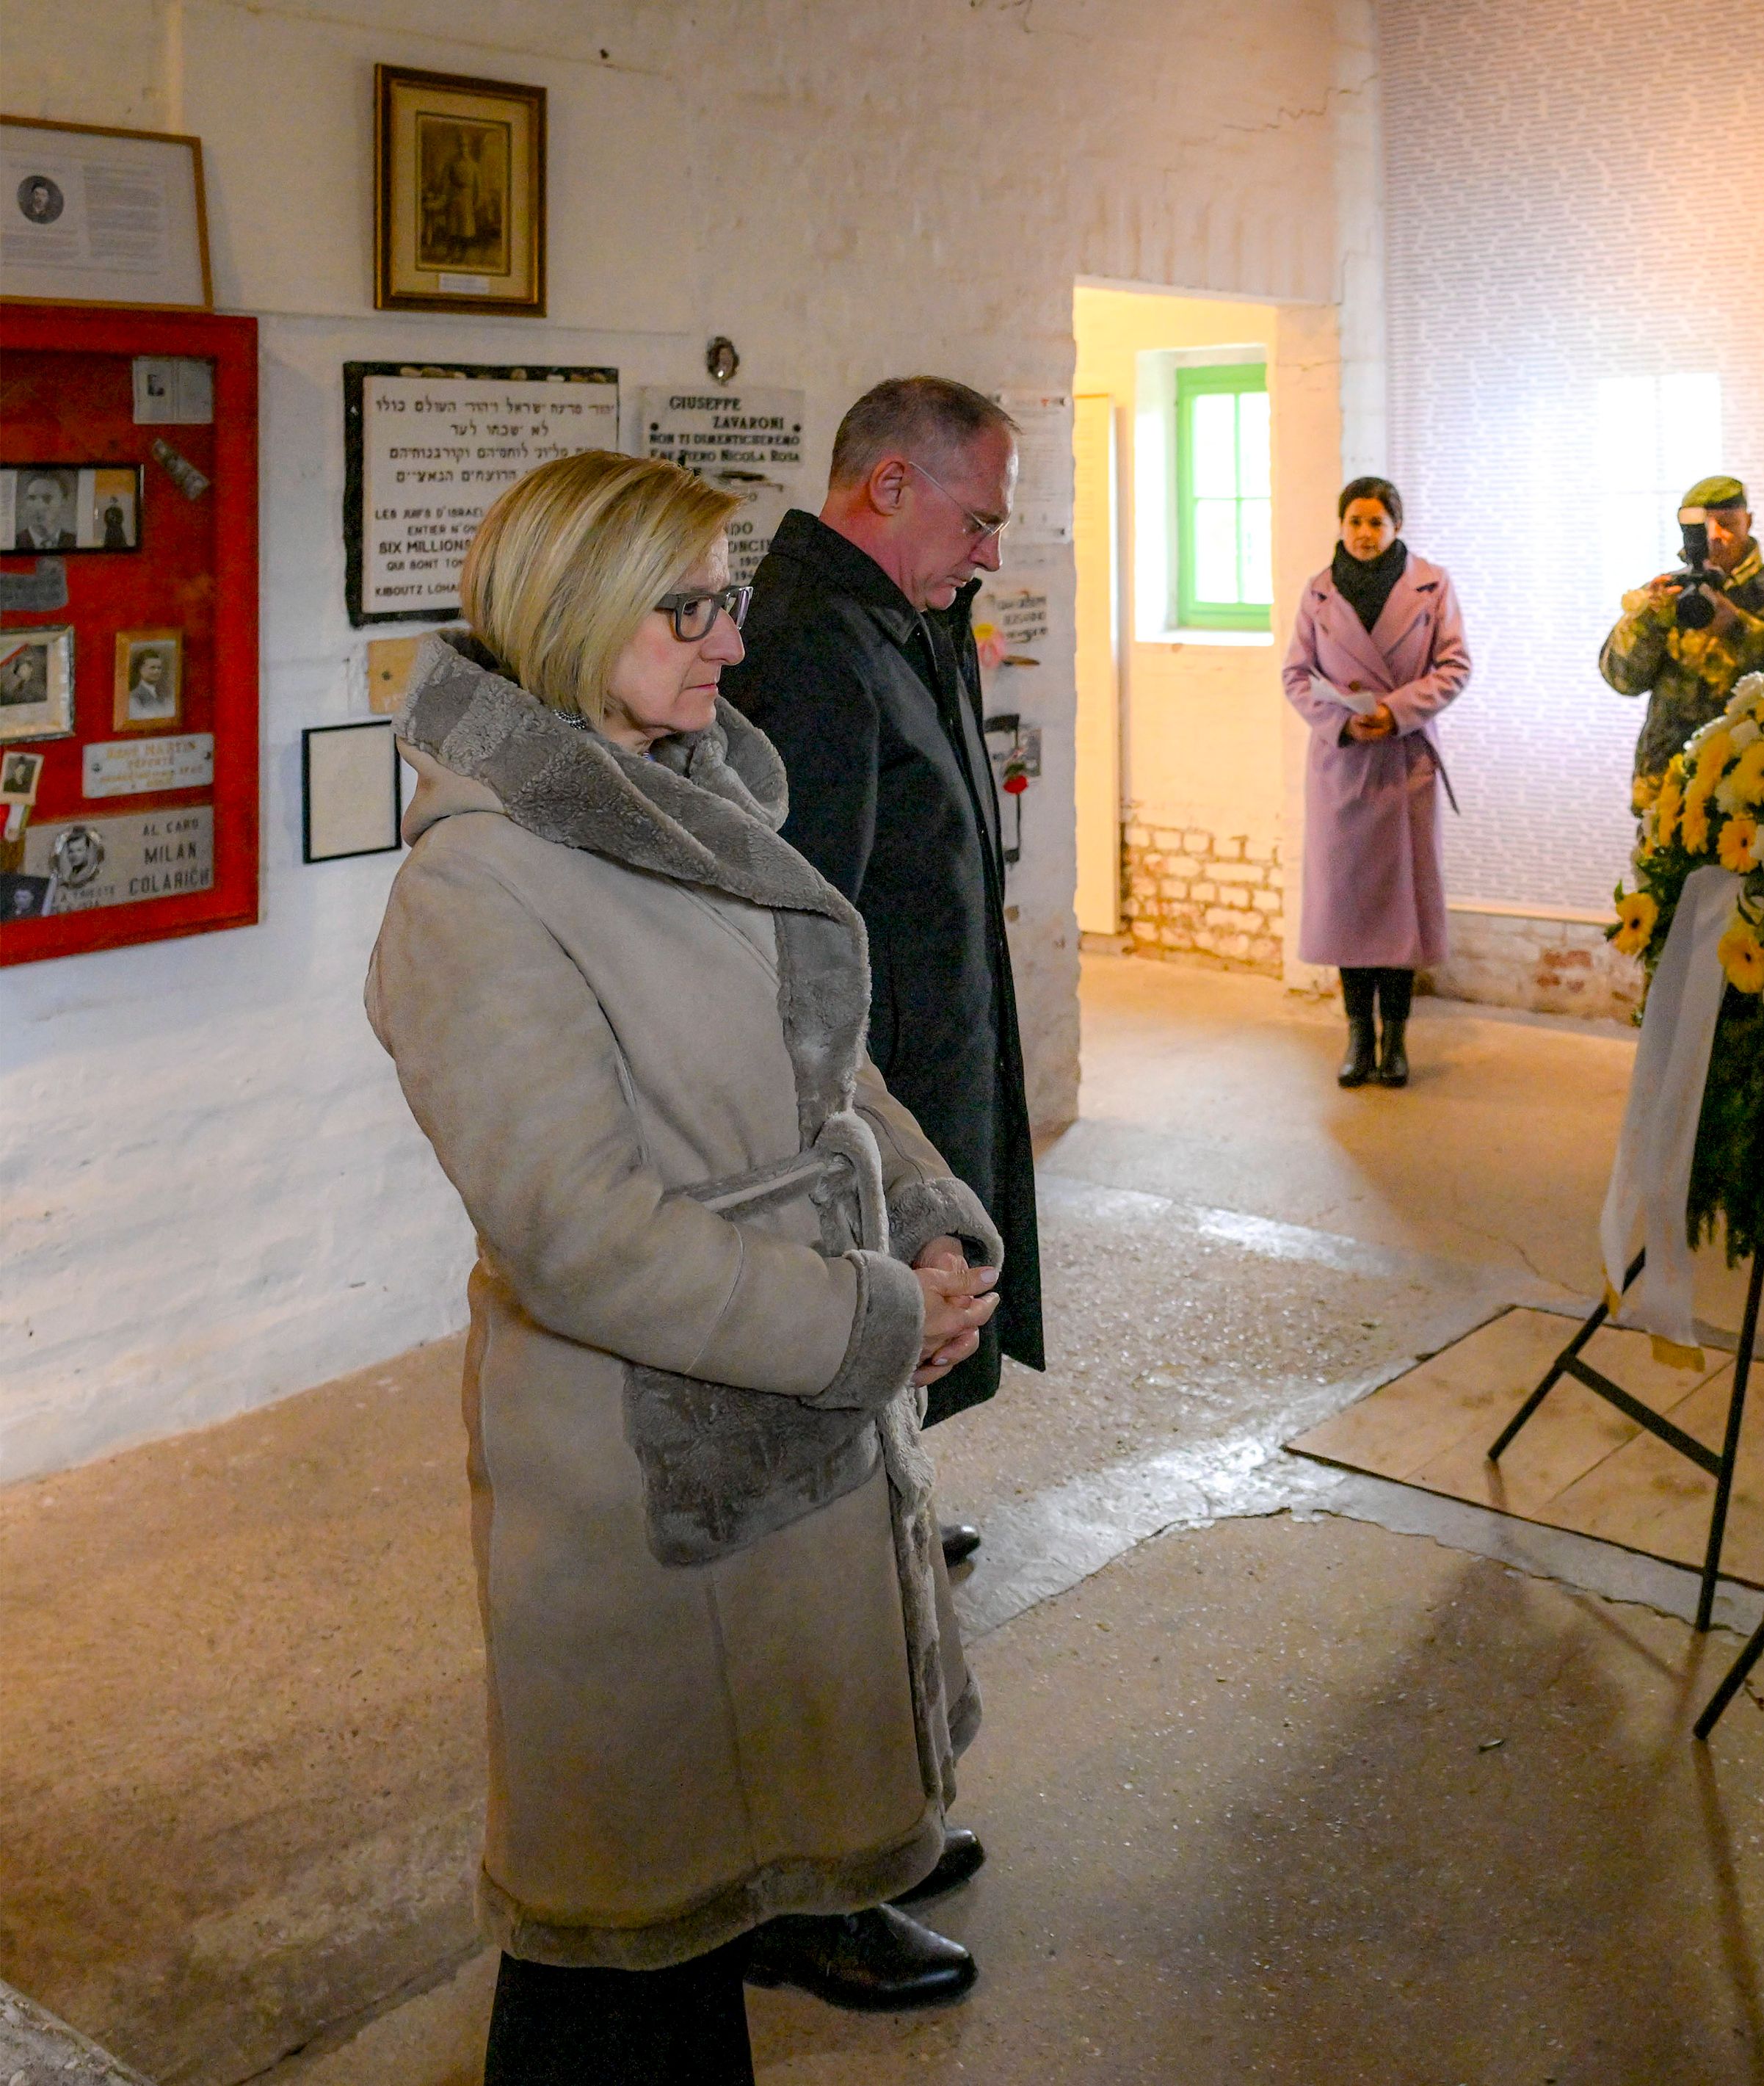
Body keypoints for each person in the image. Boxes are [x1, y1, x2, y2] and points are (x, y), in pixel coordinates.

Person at [367, 452, 1003, 2083]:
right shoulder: (480, 887)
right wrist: (867, 1317)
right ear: (577, 613)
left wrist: (922, 1207)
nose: (732, 639)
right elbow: (579, 1239)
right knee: (616, 1950)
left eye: (728, 596)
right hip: (641, 1471)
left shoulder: (684, 789)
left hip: (775, 1424)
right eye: (692, 605)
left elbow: (822, 1061)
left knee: (714, 1905)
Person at [725, 378, 1045, 1477]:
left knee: (939, 1322)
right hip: (882, 1084)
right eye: (981, 522)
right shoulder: (815, 642)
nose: (991, 556)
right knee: (887, 1315)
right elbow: (806, 927)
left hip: (932, 1049)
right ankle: (868, 1508)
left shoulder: (897, 616)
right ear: (892, 483)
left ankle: (894, 1490)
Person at [1281, 477, 1470, 1087]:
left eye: (1376, 523)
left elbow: (1455, 665)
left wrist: (1397, 711)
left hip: (1403, 763)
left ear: (1396, 527)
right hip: (1343, 767)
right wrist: (1342, 719)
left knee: (1401, 915)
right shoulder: (1318, 592)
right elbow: (1295, 675)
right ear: (1341, 525)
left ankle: (1397, 1042)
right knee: (1348, 911)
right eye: (1355, 521)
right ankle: (1358, 1037)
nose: (1364, 534)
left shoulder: (1432, 585)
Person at [1599, 474, 1764, 794]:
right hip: (1670, 781)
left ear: (1748, 521)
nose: (1716, 536)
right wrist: (1650, 620)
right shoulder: (1666, 593)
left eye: (1727, 523)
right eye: (1704, 526)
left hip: (1760, 776)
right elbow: (1622, 679)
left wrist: (1739, 628)